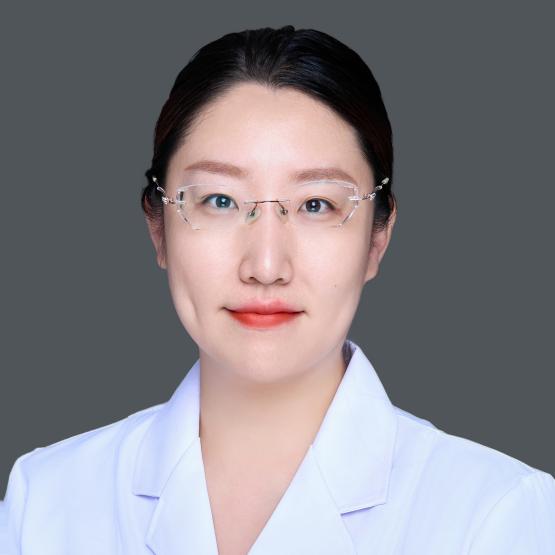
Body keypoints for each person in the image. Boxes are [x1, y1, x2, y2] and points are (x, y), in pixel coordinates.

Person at [2, 25, 554, 555]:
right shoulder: (47, 501)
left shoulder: (495, 515)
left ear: (377, 238)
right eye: (219, 201)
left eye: (316, 204)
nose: (265, 266)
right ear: (158, 227)